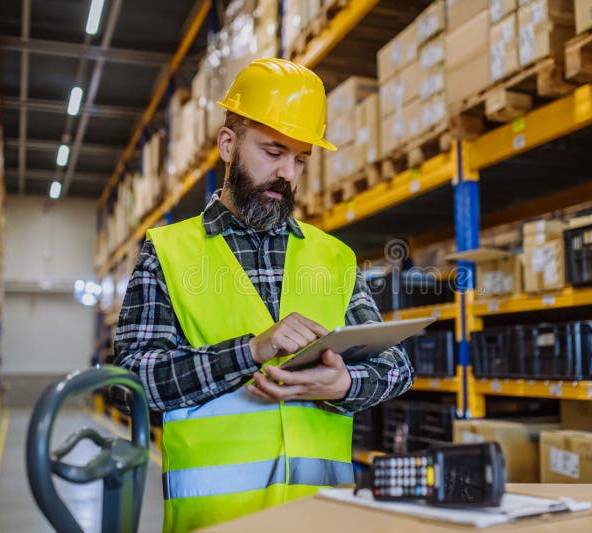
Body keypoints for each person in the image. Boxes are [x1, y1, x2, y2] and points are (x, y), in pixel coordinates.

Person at [114, 58, 413, 532]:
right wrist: (250, 351)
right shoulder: (167, 252)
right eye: (273, 151)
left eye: (299, 160)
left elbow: (396, 368)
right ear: (228, 145)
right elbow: (129, 382)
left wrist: (342, 386)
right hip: (215, 521)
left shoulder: (334, 257)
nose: (286, 174)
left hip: (322, 520)